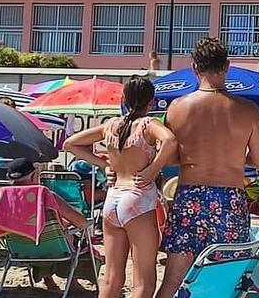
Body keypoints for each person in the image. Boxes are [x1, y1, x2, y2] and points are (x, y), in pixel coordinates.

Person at [155, 37, 259, 298]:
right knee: (226, 279)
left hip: (189, 198)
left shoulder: (177, 108)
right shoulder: (248, 110)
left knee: (174, 279)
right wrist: (235, 157)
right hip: (229, 199)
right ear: (227, 66)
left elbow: (171, 159)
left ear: (195, 67)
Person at [64, 77, 178, 298]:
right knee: (143, 281)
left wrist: (104, 164)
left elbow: (71, 143)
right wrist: (153, 169)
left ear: (123, 98)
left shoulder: (111, 125)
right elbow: (171, 141)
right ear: (151, 101)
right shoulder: (147, 125)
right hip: (138, 200)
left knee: (111, 277)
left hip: (113, 199)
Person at [4, 158, 92, 292]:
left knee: (38, 237)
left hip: (20, 250)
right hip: (56, 249)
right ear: (34, 175)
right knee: (79, 240)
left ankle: (47, 279)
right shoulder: (45, 196)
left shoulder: (2, 199)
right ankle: (72, 281)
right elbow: (81, 222)